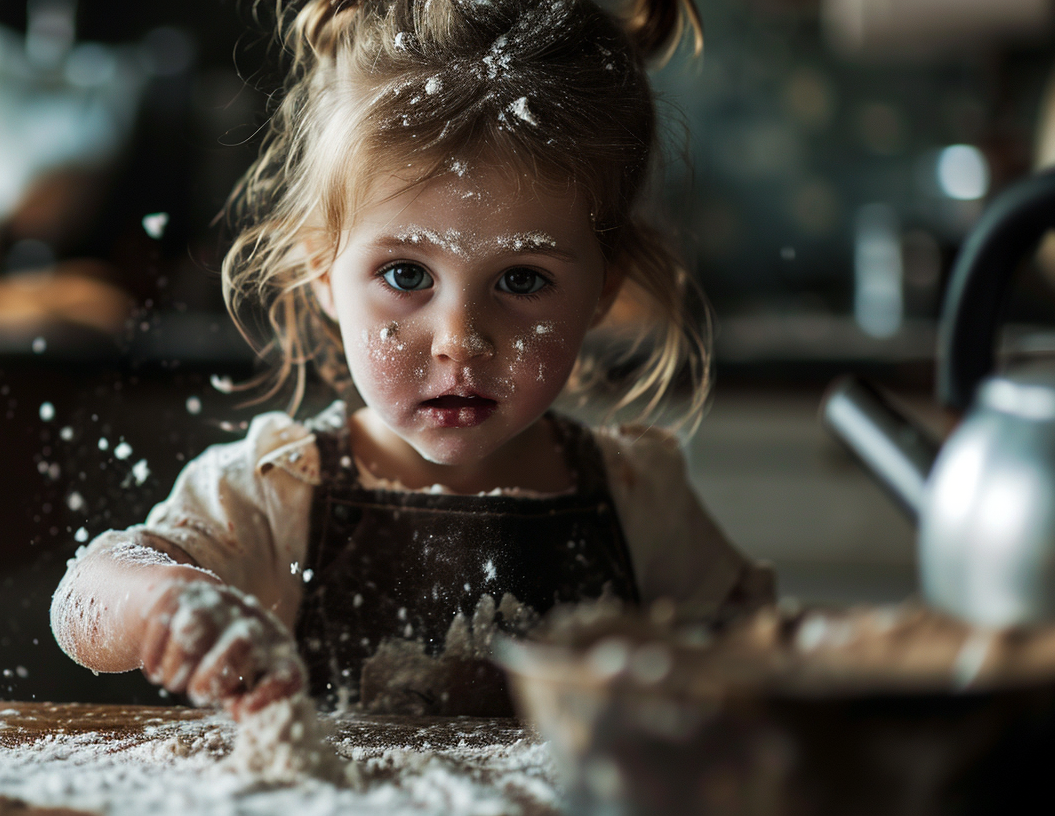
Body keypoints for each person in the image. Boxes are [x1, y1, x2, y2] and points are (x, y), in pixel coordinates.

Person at [51, 0, 774, 719]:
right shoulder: (275, 496)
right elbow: (86, 598)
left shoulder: (640, 500)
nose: (460, 339)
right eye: (405, 276)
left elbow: (761, 659)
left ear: (602, 290)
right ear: (322, 272)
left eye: (522, 279)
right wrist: (167, 604)